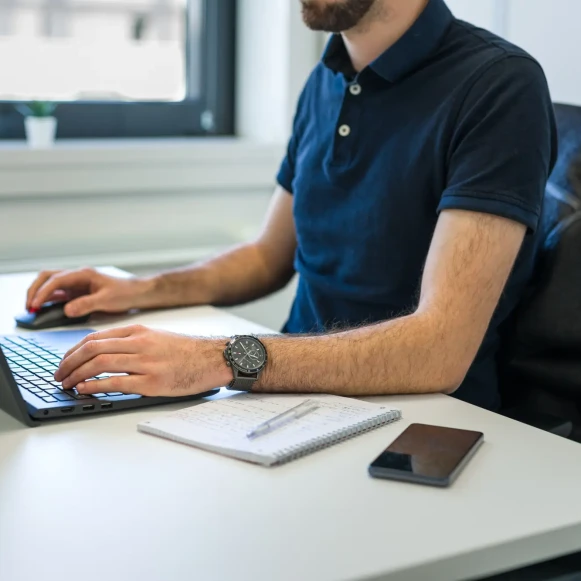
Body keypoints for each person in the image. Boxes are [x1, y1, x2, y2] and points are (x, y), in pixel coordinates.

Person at [27, 0, 556, 410]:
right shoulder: (325, 79)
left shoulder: (500, 85)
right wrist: (139, 290)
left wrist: (217, 358)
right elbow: (266, 257)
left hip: (422, 420)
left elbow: (439, 349)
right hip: (288, 397)